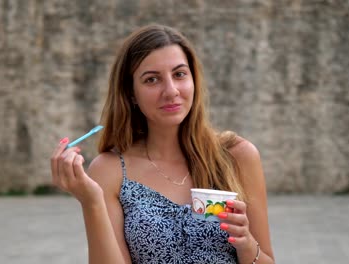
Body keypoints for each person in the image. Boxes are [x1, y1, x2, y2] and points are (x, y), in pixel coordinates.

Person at [51, 24, 275, 264]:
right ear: (131, 94)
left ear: (194, 81)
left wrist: (247, 244)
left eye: (179, 74)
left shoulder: (237, 156)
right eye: (152, 79)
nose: (171, 91)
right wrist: (91, 203)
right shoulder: (110, 170)